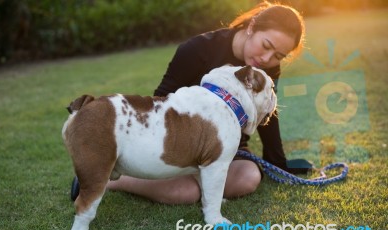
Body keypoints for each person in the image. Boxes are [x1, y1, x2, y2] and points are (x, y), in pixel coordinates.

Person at [70, 1, 311, 204]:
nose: (267, 58)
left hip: (227, 149)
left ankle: (199, 179)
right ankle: (107, 178)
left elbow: (267, 117)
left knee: (248, 177)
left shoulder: (266, 69)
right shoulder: (198, 49)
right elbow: (159, 103)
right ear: (252, 27)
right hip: (181, 146)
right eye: (266, 46)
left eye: (278, 56)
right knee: (185, 192)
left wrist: (278, 165)